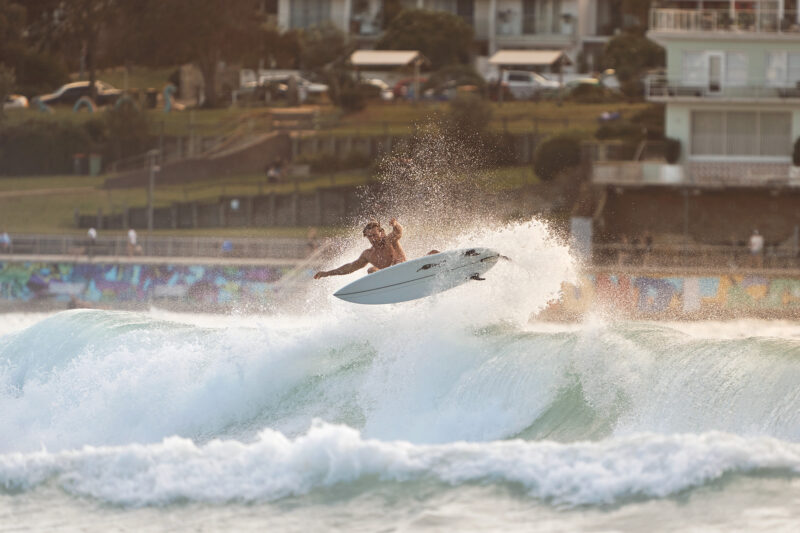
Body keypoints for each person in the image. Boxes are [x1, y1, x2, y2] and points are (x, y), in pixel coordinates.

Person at [314, 218, 437, 279]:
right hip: (389, 280)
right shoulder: (368, 254)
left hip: (408, 271)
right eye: (369, 236)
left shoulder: (390, 240)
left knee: (433, 253)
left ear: (381, 233)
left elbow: (398, 232)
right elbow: (350, 267)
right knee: (371, 270)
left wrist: (395, 224)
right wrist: (327, 273)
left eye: (374, 235)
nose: (372, 238)